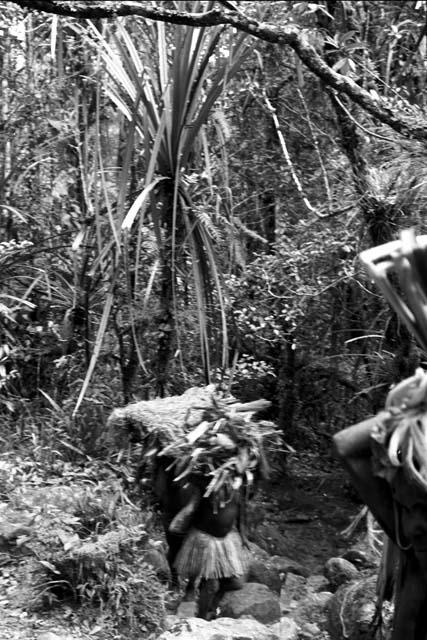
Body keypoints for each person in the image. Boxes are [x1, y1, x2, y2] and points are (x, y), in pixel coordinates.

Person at [333, 369, 427, 640]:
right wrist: (411, 405)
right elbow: (345, 444)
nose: (420, 523)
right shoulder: (405, 536)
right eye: (413, 508)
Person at [169, 478, 250, 619]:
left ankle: (212, 606)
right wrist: (180, 520)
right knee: (210, 584)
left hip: (225, 542)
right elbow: (191, 508)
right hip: (205, 541)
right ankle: (201, 619)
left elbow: (241, 515)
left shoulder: (238, 490)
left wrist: (243, 536)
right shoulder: (205, 487)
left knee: (236, 583)